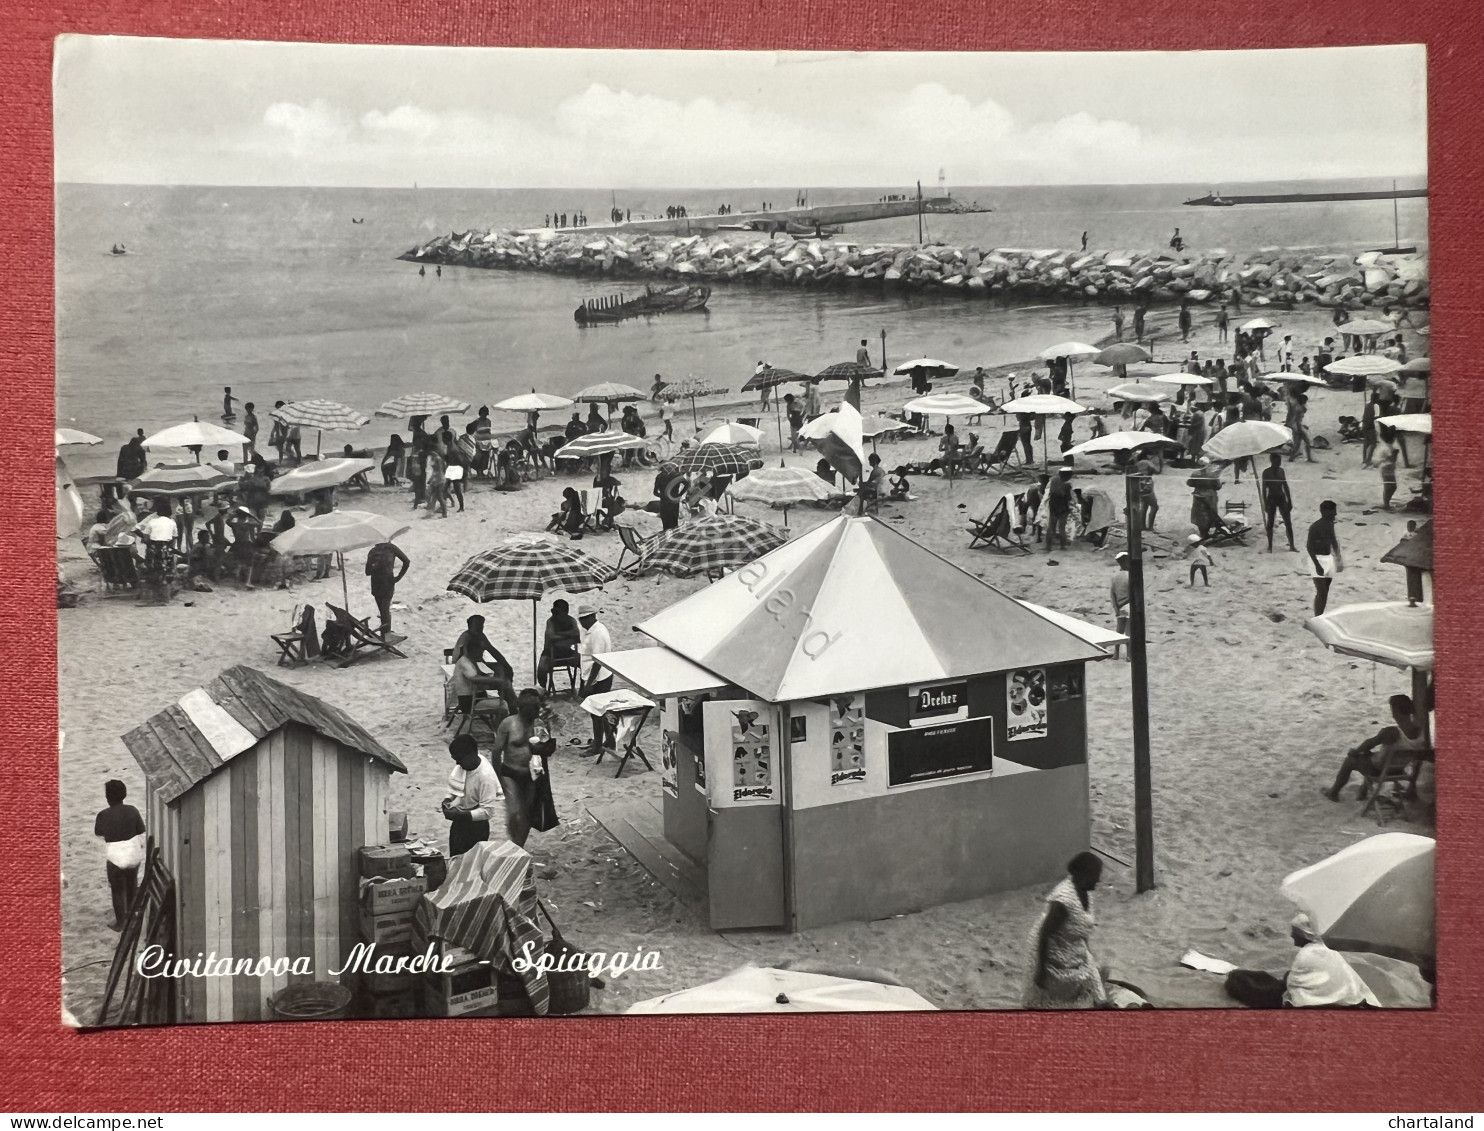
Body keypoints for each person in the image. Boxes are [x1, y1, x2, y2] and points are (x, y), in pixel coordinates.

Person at [1224, 913, 1378, 1009]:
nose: (1292, 936)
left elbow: (1292, 990)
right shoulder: (1326, 948)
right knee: (1274, 977)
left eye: (1294, 932)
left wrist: (1287, 982)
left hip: (1322, 1003)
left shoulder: (1306, 955)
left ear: (1301, 934)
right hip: (1344, 997)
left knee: (1239, 982)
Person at [1023, 851, 1108, 1009]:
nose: (1098, 879)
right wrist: (1040, 970)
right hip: (1050, 945)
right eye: (1096, 875)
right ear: (1085, 875)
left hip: (1069, 941)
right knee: (1052, 994)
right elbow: (1045, 934)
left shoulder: (1085, 892)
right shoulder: (1063, 901)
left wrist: (1087, 955)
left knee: (1092, 973)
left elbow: (1082, 927)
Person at [1324, 693, 1429, 803]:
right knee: (1370, 755)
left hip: (1379, 771)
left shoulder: (1392, 732)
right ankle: (1362, 792)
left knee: (1350, 760)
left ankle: (1333, 793)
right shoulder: (1420, 732)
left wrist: (1354, 752)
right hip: (1399, 770)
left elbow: (1370, 743)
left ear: (1395, 712)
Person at [489, 689, 556, 848]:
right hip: (510, 773)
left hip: (531, 774)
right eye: (532, 709)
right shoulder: (509, 723)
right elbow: (496, 751)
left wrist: (547, 732)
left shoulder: (539, 724)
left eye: (536, 708)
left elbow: (550, 748)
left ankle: (518, 847)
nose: (535, 712)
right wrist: (498, 778)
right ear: (522, 708)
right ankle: (515, 843)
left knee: (526, 814)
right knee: (514, 813)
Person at [94, 779, 146, 931]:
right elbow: (140, 829)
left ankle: (121, 922)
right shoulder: (133, 810)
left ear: (107, 797)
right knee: (131, 884)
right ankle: (132, 914)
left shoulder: (103, 815)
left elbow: (99, 832)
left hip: (116, 853)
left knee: (117, 889)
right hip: (132, 851)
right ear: (124, 794)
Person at [441, 735, 501, 857]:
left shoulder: (485, 777)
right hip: (460, 820)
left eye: (459, 759)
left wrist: (460, 815)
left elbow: (487, 811)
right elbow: (456, 785)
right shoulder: (464, 764)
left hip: (477, 827)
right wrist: (447, 799)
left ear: (472, 754)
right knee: (456, 859)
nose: (457, 763)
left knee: (472, 864)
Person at [452, 615, 516, 713]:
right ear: (470, 625)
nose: (480, 628)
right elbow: (459, 658)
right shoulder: (466, 637)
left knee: (501, 669)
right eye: (477, 625)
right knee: (499, 681)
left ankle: (508, 697)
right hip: (466, 672)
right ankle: (510, 703)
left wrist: (506, 666)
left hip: (475, 665)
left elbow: (493, 651)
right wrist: (494, 679)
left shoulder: (480, 635)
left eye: (481, 626)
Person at [577, 603, 614, 758]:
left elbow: (598, 662)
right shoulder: (588, 631)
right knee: (600, 711)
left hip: (600, 677)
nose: (582, 622)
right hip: (589, 674)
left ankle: (597, 746)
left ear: (591, 617)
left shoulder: (598, 633)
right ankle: (609, 740)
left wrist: (589, 683)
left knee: (596, 712)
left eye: (584, 619)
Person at [365, 539, 410, 637]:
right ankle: (386, 633)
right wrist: (398, 577)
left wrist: (375, 566)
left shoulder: (372, 551)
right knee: (385, 610)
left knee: (382, 610)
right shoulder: (392, 548)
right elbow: (406, 562)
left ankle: (385, 633)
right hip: (387, 582)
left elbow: (367, 572)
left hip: (376, 583)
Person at [1306, 500, 1344, 615]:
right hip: (1316, 559)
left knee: (1325, 591)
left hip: (1328, 559)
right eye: (1333, 512)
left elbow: (1333, 540)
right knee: (1321, 591)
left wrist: (1338, 558)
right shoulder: (1315, 527)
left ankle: (1319, 615)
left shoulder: (1330, 524)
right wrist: (1317, 565)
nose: (1335, 515)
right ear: (1325, 512)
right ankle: (1317, 616)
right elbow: (1309, 547)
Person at [536, 599, 582, 692]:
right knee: (541, 670)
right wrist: (568, 636)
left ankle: (583, 689)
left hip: (568, 653)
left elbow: (577, 633)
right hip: (550, 653)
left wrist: (559, 634)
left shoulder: (571, 620)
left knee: (586, 664)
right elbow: (551, 636)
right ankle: (544, 690)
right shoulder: (551, 621)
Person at [1259, 452, 1296, 552]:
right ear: (1272, 461)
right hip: (1271, 498)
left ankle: (1292, 545)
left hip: (1281, 497)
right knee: (1270, 523)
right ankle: (1270, 546)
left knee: (1288, 522)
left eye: (1279, 461)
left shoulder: (1281, 471)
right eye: (1277, 461)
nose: (1279, 463)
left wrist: (1289, 500)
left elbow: (1285, 485)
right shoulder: (1266, 472)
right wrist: (1265, 503)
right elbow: (1263, 490)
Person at [1045, 465, 1073, 551]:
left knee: (1051, 527)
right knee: (1062, 528)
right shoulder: (1067, 485)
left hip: (1053, 506)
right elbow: (1069, 498)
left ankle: (1048, 546)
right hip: (1063, 508)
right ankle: (1062, 546)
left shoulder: (1053, 481)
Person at [1109, 553, 1131, 661]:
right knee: (1129, 632)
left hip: (1119, 606)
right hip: (1129, 605)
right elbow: (1133, 593)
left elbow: (1112, 594)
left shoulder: (1115, 576)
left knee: (1119, 631)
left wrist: (1116, 608)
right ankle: (1129, 655)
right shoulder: (1130, 575)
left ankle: (1116, 654)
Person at [654, 462, 683, 530]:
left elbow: (655, 492)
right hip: (674, 502)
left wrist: (664, 496)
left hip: (664, 503)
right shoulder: (677, 476)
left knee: (666, 526)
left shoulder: (659, 477)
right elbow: (687, 485)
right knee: (674, 525)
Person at [1380, 445, 1400, 510]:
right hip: (1386, 469)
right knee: (1388, 487)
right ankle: (1386, 504)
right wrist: (1395, 453)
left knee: (1392, 487)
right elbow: (1391, 459)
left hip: (1389, 470)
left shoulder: (1390, 448)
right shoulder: (1387, 449)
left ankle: (1386, 503)